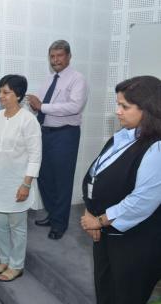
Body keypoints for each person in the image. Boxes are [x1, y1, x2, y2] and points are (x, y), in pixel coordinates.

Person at [80, 76, 161, 304]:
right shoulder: (123, 137)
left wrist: (101, 220)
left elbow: (142, 201)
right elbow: (93, 176)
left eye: (124, 106)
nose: (117, 111)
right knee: (105, 291)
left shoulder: (156, 148)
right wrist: (88, 210)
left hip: (135, 245)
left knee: (125, 296)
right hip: (107, 236)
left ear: (148, 109)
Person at [26, 40, 88, 239]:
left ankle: (60, 224)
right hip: (45, 133)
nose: (55, 60)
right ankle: (53, 215)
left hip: (66, 134)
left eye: (59, 56)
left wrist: (41, 106)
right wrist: (36, 105)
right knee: (44, 177)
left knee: (62, 180)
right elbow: (42, 105)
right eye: (52, 56)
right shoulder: (49, 79)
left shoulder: (78, 79)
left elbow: (74, 107)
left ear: (69, 56)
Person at [0, 75, 42, 281]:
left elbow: (35, 155)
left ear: (18, 95)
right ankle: (5, 258)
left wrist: (26, 184)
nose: (1, 96)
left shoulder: (29, 120)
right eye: (0, 91)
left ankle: (17, 265)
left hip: (18, 181)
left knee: (17, 225)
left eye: (6, 92)